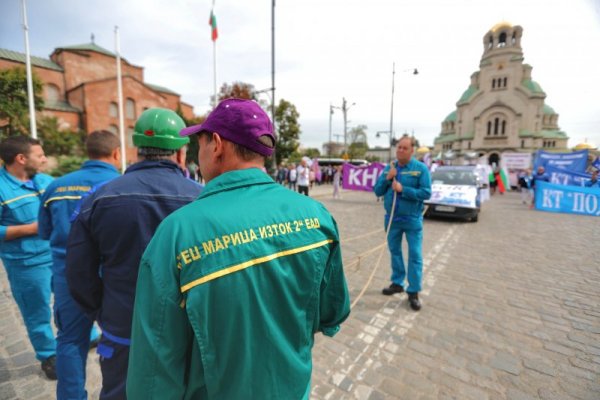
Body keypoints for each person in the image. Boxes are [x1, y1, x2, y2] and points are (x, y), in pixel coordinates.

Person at [126, 98, 350, 399]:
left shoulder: (177, 233)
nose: (197, 153)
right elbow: (333, 311)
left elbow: (152, 370)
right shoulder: (316, 215)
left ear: (216, 144)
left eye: (199, 143)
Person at [65, 108, 202, 400]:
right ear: (180, 154)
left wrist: (103, 312)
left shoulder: (97, 199)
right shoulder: (203, 198)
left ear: (137, 150)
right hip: (188, 331)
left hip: (122, 328)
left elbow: (78, 273)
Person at [38, 130, 121, 399]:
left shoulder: (55, 186)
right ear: (116, 154)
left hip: (67, 276)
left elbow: (44, 231)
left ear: (88, 152)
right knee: (116, 338)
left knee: (71, 339)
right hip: (111, 276)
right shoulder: (121, 185)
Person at [0, 136, 57, 379]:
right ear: (21, 159)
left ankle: (87, 336)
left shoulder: (46, 181)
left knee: (72, 300)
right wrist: (33, 228)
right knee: (37, 311)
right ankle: (49, 355)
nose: (44, 159)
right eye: (40, 155)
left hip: (56, 254)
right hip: (26, 264)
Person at [373, 135, 431, 311]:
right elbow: (377, 191)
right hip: (392, 219)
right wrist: (387, 178)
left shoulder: (420, 169)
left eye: (405, 148)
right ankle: (397, 282)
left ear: (412, 151)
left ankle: (413, 291)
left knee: (415, 255)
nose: (400, 150)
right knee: (395, 252)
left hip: (412, 219)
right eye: (399, 147)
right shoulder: (389, 168)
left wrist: (403, 190)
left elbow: (426, 193)